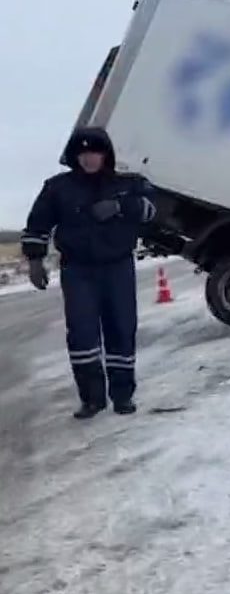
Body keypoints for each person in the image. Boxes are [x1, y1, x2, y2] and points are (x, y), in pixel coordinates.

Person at [20, 127, 157, 419]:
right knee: (82, 334)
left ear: (106, 154)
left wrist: (120, 206)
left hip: (118, 268)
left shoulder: (129, 183)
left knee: (121, 329)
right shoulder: (58, 187)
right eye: (82, 153)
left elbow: (153, 210)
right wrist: (35, 261)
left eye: (94, 152)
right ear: (74, 156)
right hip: (78, 270)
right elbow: (38, 224)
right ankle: (92, 399)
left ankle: (123, 396)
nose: (88, 158)